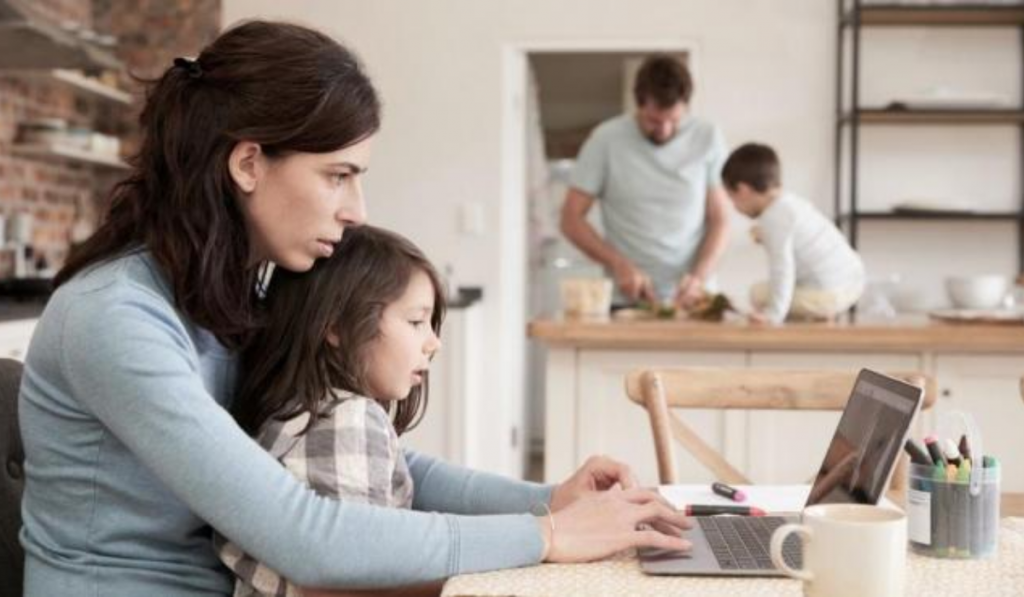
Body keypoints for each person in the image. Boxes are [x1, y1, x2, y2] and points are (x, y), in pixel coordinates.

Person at [18, 20, 692, 597]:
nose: (356, 210)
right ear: (249, 163)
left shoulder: (235, 292)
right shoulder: (117, 319)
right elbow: (304, 535)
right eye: (337, 175)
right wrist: (548, 535)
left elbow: (383, 458)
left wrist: (549, 499)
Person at [215, 225, 444, 596]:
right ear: (336, 325)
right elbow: (347, 579)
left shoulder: (293, 410)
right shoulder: (349, 418)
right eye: (416, 321)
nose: (433, 342)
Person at [560, 54, 730, 310]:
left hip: (694, 299)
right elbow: (570, 219)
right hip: (625, 300)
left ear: (686, 106)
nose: (664, 131)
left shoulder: (708, 137)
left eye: (674, 120)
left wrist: (699, 276)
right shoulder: (605, 140)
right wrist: (618, 264)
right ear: (638, 105)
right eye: (653, 121)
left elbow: (720, 219)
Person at [721, 143, 865, 325]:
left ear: (743, 190)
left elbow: (782, 269)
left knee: (757, 293)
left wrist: (773, 315)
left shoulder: (773, 219)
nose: (735, 207)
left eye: (732, 198)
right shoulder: (791, 204)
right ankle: (820, 313)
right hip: (853, 282)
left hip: (829, 295)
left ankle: (817, 312)